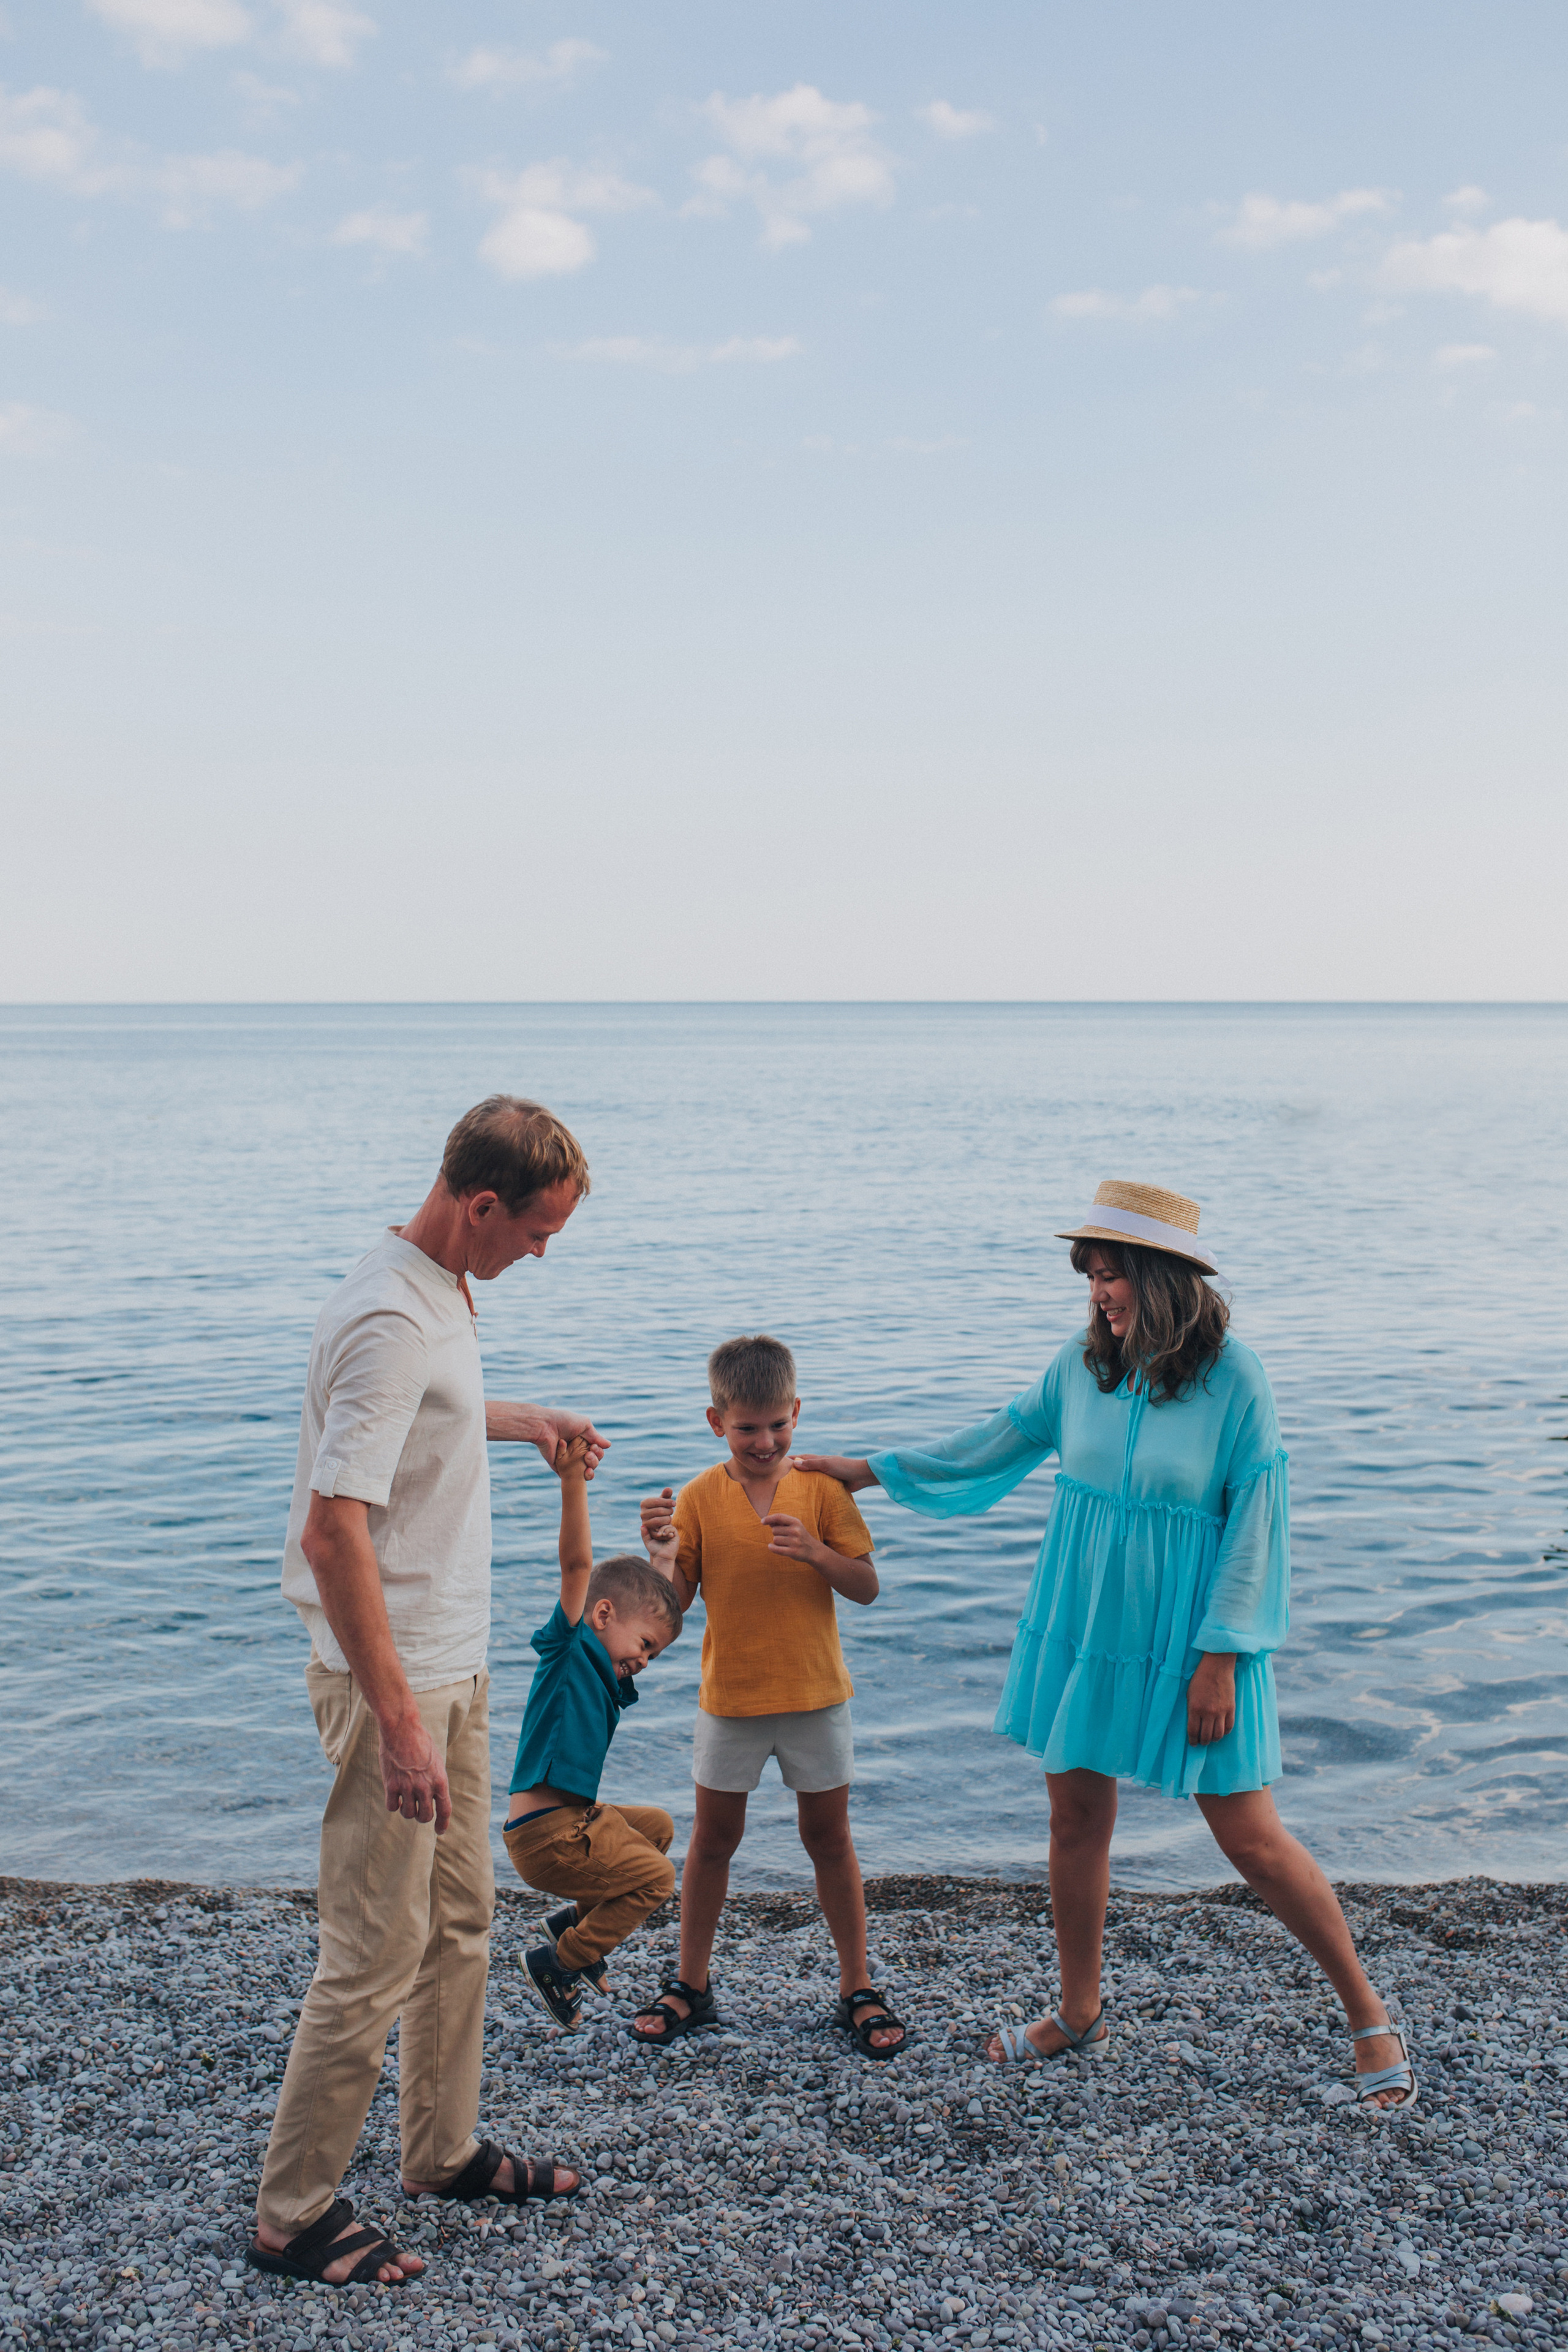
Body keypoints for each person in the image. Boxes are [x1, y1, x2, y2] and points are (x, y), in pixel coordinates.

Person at [795, 1181, 1417, 2116]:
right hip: (1087, 1624)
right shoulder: (1082, 1368)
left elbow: (1258, 1520)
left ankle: (1371, 2018)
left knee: (1251, 1838)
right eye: (1088, 1273)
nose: (1096, 1291)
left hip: (1193, 1637)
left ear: (1160, 1278)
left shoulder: (1234, 1378)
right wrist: (869, 1472)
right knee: (1075, 1821)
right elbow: (995, 1443)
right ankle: (1080, 2011)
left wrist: (1220, 1656)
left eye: (1110, 1273)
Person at [249, 1096, 608, 2294]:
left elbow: (424, 1417)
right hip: (390, 1681)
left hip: (453, 1661)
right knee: (374, 1947)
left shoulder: (439, 1288)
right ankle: (293, 2214)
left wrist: (525, 1422)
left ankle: (440, 2151)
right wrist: (398, 1722)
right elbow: (332, 1529)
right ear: (481, 1204)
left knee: (460, 1921)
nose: (541, 1254)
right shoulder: (388, 1317)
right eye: (537, 1232)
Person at [632, 1334, 905, 2059]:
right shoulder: (699, 1497)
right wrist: (660, 1554)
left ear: (797, 1413)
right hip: (730, 1701)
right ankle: (691, 1984)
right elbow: (671, 1608)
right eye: (747, 1428)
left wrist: (816, 1552)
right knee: (712, 1841)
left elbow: (866, 1586)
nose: (765, 1441)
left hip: (817, 1696)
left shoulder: (821, 1489)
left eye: (778, 1424)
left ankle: (856, 1984)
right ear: (715, 1421)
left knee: (829, 1839)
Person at [503, 1432, 685, 2029]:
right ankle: (559, 1961)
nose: (646, 1661)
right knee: (656, 1878)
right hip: (546, 1837)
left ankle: (571, 1922)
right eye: (645, 1646)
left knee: (657, 1829)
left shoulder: (607, 1674)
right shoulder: (569, 1647)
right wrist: (571, 1482)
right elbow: (578, 1566)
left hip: (574, 1821)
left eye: (654, 1655)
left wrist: (662, 1562)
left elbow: (646, 1607)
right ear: (602, 1614)